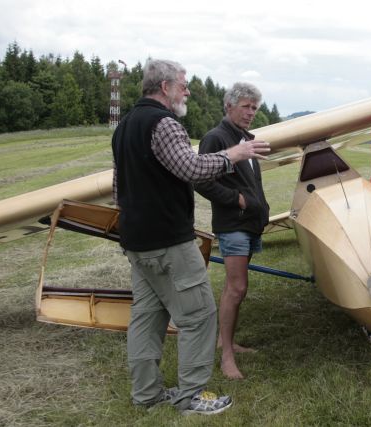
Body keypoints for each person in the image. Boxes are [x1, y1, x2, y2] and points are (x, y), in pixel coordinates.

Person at [111, 59, 270, 415]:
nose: (187, 90)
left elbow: (118, 190)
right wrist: (234, 154)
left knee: (147, 318)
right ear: (165, 87)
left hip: (136, 241)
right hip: (168, 240)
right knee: (199, 316)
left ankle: (147, 394)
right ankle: (191, 396)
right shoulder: (164, 123)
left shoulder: (123, 127)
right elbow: (192, 168)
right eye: (183, 85)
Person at [195, 82, 270, 380]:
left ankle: (226, 342)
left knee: (235, 288)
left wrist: (257, 206)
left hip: (250, 223)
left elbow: (250, 182)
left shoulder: (244, 138)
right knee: (237, 288)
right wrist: (237, 200)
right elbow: (200, 180)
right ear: (229, 106)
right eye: (246, 106)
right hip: (233, 224)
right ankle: (226, 356)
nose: (251, 112)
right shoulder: (216, 138)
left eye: (255, 107)